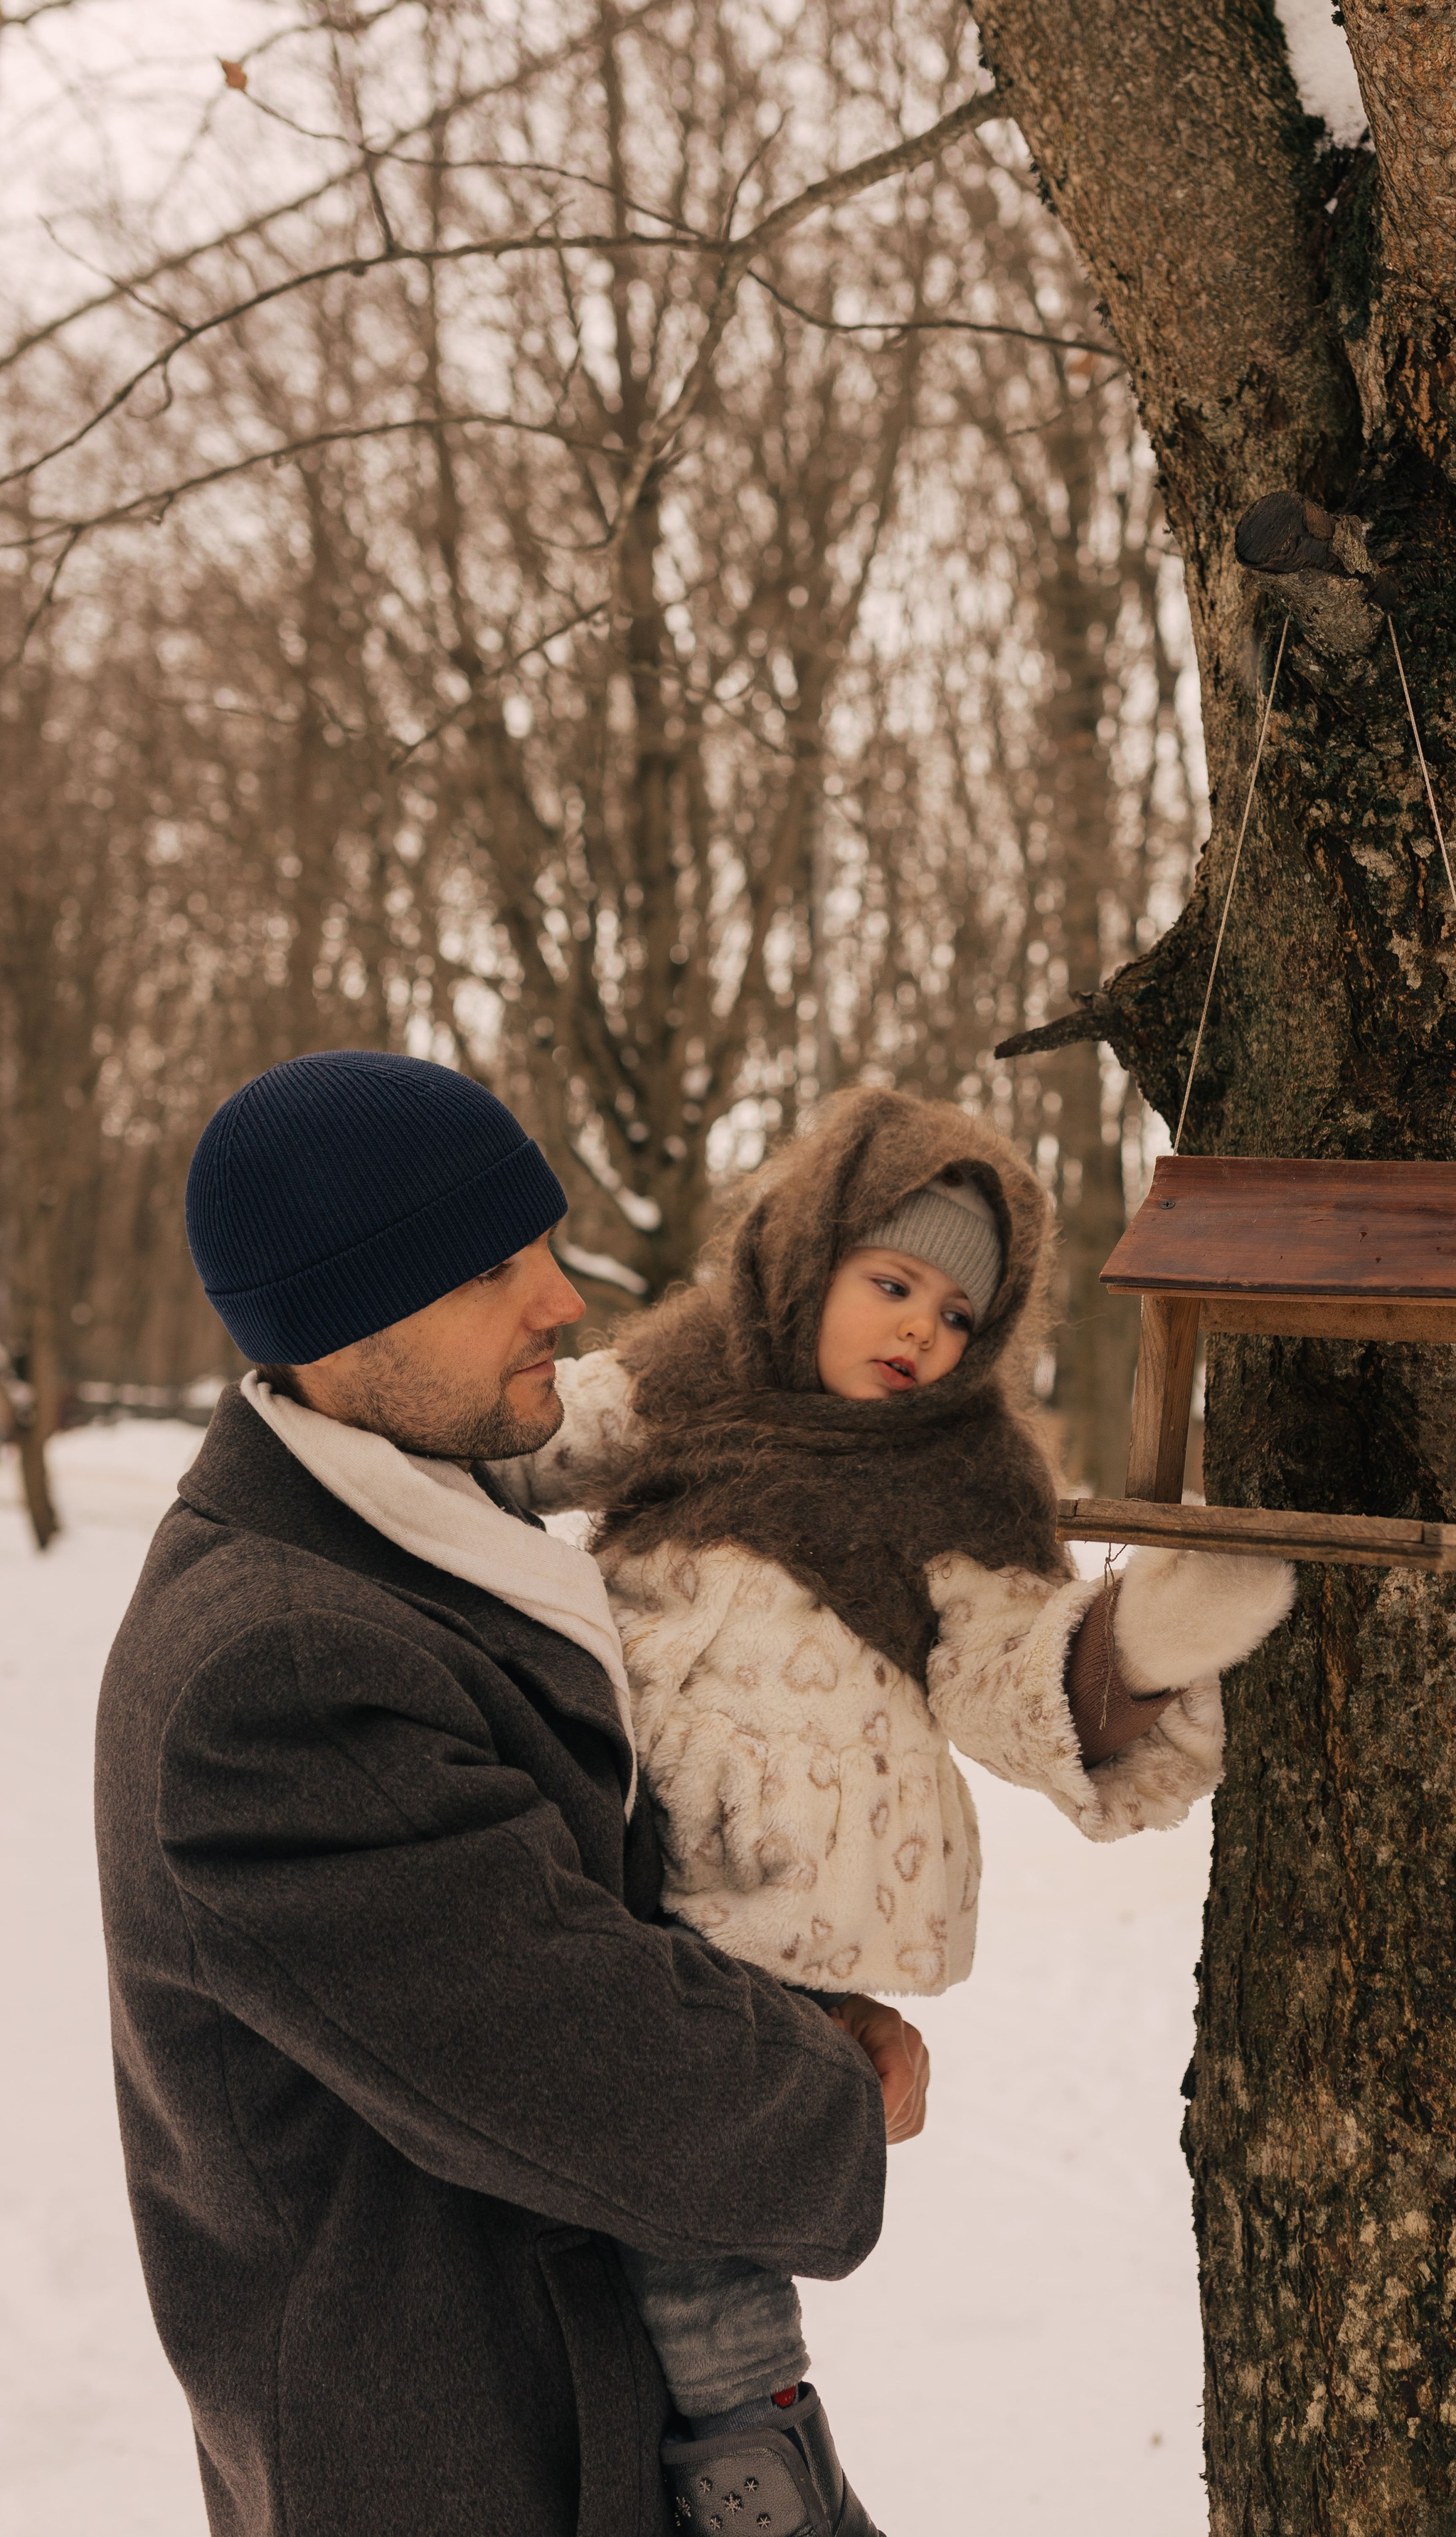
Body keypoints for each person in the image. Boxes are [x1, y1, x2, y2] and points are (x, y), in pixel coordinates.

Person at [94, 1050, 925, 2537]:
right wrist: (830, 2096)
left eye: (543, 1244)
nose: (558, 1298)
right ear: (340, 1324)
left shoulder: (403, 1531)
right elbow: (576, 2057)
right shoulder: (280, 1669)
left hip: (594, 2410)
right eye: (493, 1267)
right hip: (462, 2457)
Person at [487, 1087, 1298, 2533]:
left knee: (698, 2215)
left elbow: (999, 1666)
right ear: (809, 1259)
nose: (920, 1332)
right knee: (598, 2190)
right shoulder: (687, 1372)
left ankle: (761, 2465)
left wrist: (1137, 1643)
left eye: (954, 1317)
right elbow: (520, 1442)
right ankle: (685, 2458)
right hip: (606, 1853)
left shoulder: (962, 1475)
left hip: (785, 1899)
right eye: (892, 1284)